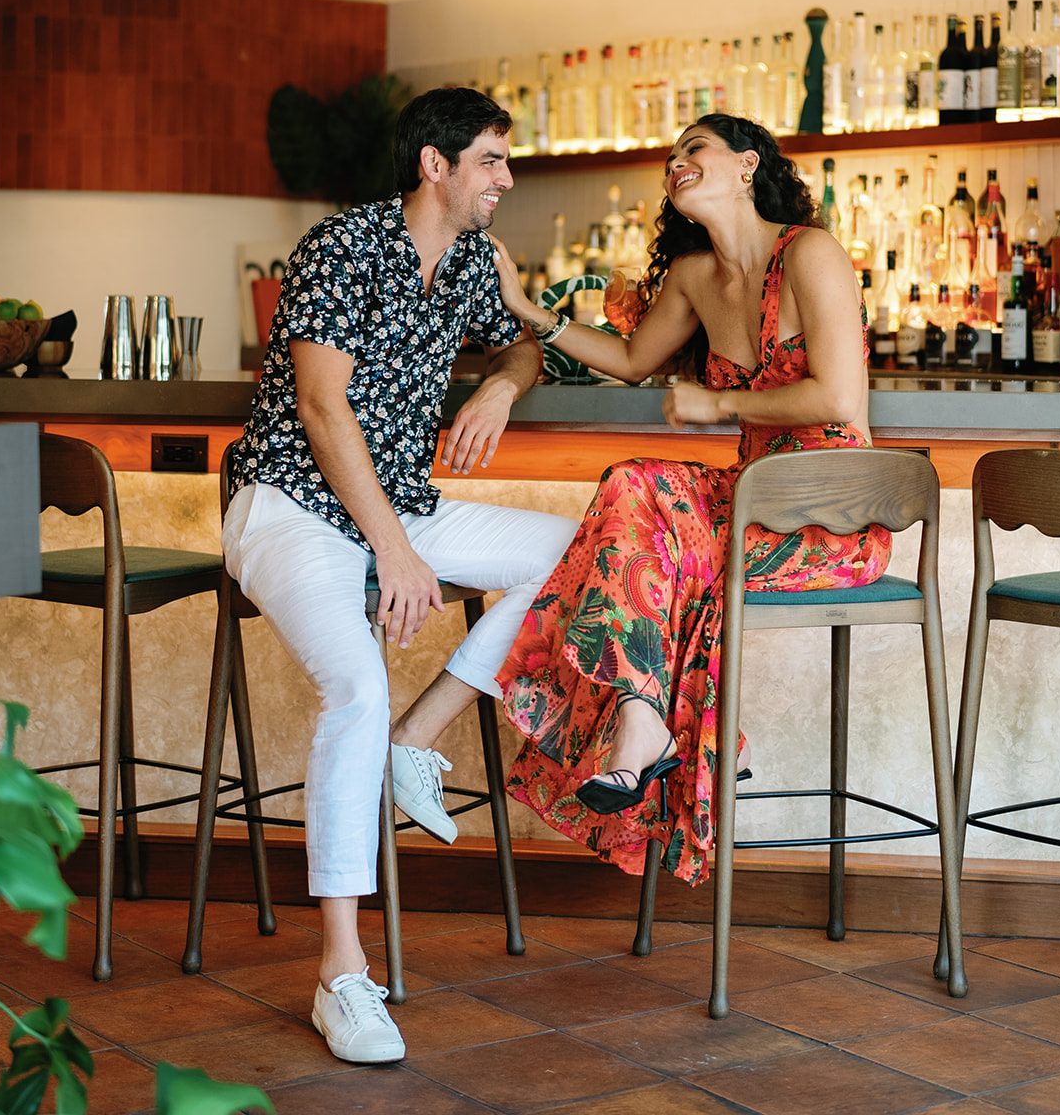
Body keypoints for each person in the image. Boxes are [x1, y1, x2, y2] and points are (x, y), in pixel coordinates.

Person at [222, 87, 577, 1064]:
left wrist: (504, 381)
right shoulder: (343, 246)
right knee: (357, 684)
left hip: (398, 508)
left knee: (571, 548)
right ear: (436, 164)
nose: (508, 178)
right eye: (494, 161)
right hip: (292, 503)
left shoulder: (467, 263)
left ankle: (417, 740)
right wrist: (394, 549)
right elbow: (322, 407)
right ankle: (342, 971)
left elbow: (526, 338)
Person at [486, 112, 891, 887]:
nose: (675, 162)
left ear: (747, 164)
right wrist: (528, 310)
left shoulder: (812, 253)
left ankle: (642, 729)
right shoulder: (694, 277)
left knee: (669, 546)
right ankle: (641, 717)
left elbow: (838, 394)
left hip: (834, 511)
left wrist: (718, 404)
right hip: (751, 504)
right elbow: (633, 359)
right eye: (670, 155)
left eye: (693, 149)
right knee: (633, 482)